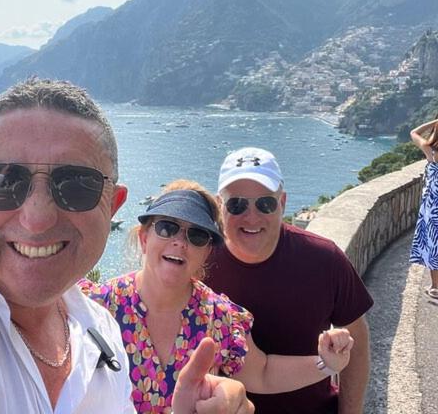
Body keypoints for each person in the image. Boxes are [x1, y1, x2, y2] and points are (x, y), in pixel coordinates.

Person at [0, 78, 254, 414]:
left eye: (75, 185)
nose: (37, 218)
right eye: (4, 182)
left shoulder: (101, 331)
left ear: (112, 204)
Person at [80, 180, 354, 413]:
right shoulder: (95, 308)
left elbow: (263, 373)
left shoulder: (219, 316)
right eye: (167, 227)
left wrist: (326, 364)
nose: (180, 242)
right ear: (144, 238)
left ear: (207, 252)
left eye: (197, 235)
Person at [205, 147, 375, 414]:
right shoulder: (201, 264)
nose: (251, 216)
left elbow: (357, 341)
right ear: (219, 205)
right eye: (237, 204)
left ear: (282, 203)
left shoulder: (323, 259)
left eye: (265, 204)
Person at [409, 119, 438, 299]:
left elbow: (414, 132)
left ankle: (435, 287)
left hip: (433, 206)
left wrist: (435, 121)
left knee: (434, 243)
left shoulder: (431, 151)